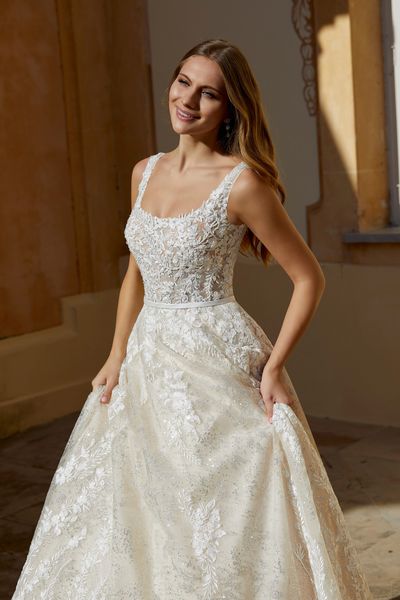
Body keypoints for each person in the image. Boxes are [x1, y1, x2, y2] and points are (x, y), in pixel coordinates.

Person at [12, 38, 373, 599]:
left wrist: (275, 368)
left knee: (219, 503)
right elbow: (137, 274)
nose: (189, 101)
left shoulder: (243, 182)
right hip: (146, 359)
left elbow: (309, 278)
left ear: (231, 109)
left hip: (215, 355)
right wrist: (114, 355)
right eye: (184, 82)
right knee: (137, 505)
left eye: (210, 94)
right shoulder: (144, 172)